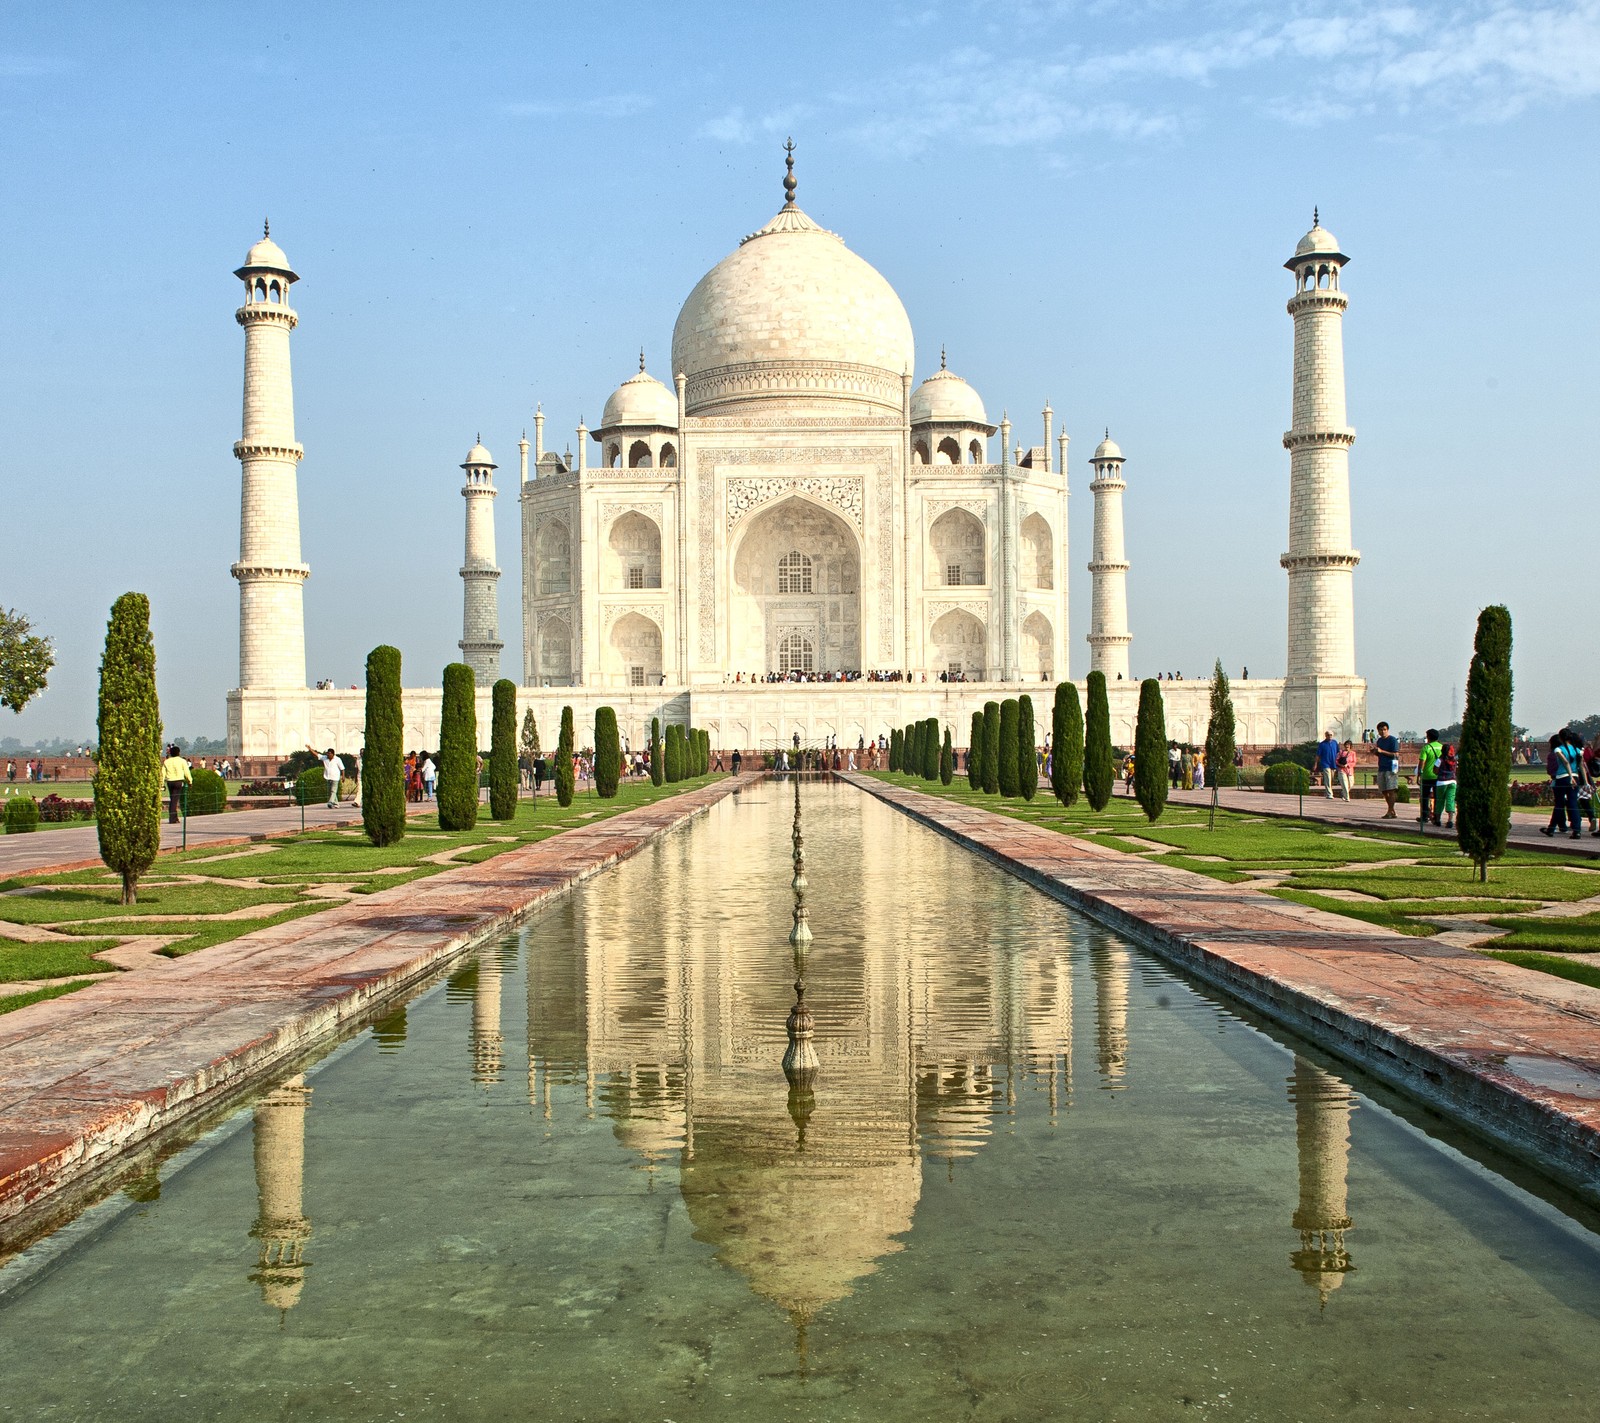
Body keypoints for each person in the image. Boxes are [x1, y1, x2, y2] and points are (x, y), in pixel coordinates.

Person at [1544, 731, 1586, 841]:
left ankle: (1551, 828)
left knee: (1559, 804)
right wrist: (1584, 782)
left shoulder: (1558, 749)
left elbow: (1566, 763)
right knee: (1573, 803)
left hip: (1562, 777)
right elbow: (1581, 766)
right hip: (1576, 776)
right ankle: (1577, 830)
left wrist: (1570, 777)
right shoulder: (1578, 750)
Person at [1372, 721, 1400, 818]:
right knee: (1384, 790)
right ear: (1378, 731)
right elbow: (1380, 754)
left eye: (1384, 729)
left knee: (1391, 790)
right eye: (1381, 730)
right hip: (1382, 767)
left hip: (1391, 767)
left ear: (1387, 730)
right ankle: (1392, 810)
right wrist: (1375, 752)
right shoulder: (1379, 741)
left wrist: (1381, 751)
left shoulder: (1392, 740)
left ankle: (1390, 811)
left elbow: (1396, 755)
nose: (1383, 731)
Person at [1543, 733, 1569, 837]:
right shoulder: (1567, 752)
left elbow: (1550, 770)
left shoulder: (1553, 754)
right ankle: (1569, 825)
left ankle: (1557, 826)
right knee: (1567, 803)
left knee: (1559, 803)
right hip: (1570, 778)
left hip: (1558, 779)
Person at [1416, 730, 1442, 829]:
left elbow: (1422, 762)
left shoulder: (1426, 748)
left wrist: (1419, 774)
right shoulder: (1441, 747)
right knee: (1437, 797)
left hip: (1427, 776)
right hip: (1438, 776)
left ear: (1428, 737)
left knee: (1425, 797)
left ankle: (1425, 816)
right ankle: (1436, 816)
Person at [161, 743, 192, 824]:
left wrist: (162, 784)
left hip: (170, 782)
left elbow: (162, 774)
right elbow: (186, 772)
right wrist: (190, 781)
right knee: (174, 800)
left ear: (170, 753)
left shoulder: (166, 762)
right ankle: (172, 818)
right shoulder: (182, 761)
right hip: (178, 781)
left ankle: (174, 817)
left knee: (173, 799)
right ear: (179, 753)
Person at [1434, 743, 1458, 828]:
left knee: (1440, 801)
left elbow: (1435, 771)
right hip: (1452, 781)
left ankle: (1438, 820)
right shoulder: (1454, 760)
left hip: (1442, 782)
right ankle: (1450, 820)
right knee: (1450, 800)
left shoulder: (1440, 760)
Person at [1315, 731, 1340, 799]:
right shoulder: (1322, 744)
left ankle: (1327, 791)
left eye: (1331, 735)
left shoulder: (1335, 743)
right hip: (1325, 763)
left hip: (1333, 763)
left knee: (1331, 779)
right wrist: (1316, 764)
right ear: (1325, 736)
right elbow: (1318, 755)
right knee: (1328, 778)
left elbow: (1338, 753)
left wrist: (1339, 762)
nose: (1330, 736)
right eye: (1328, 735)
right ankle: (1329, 794)